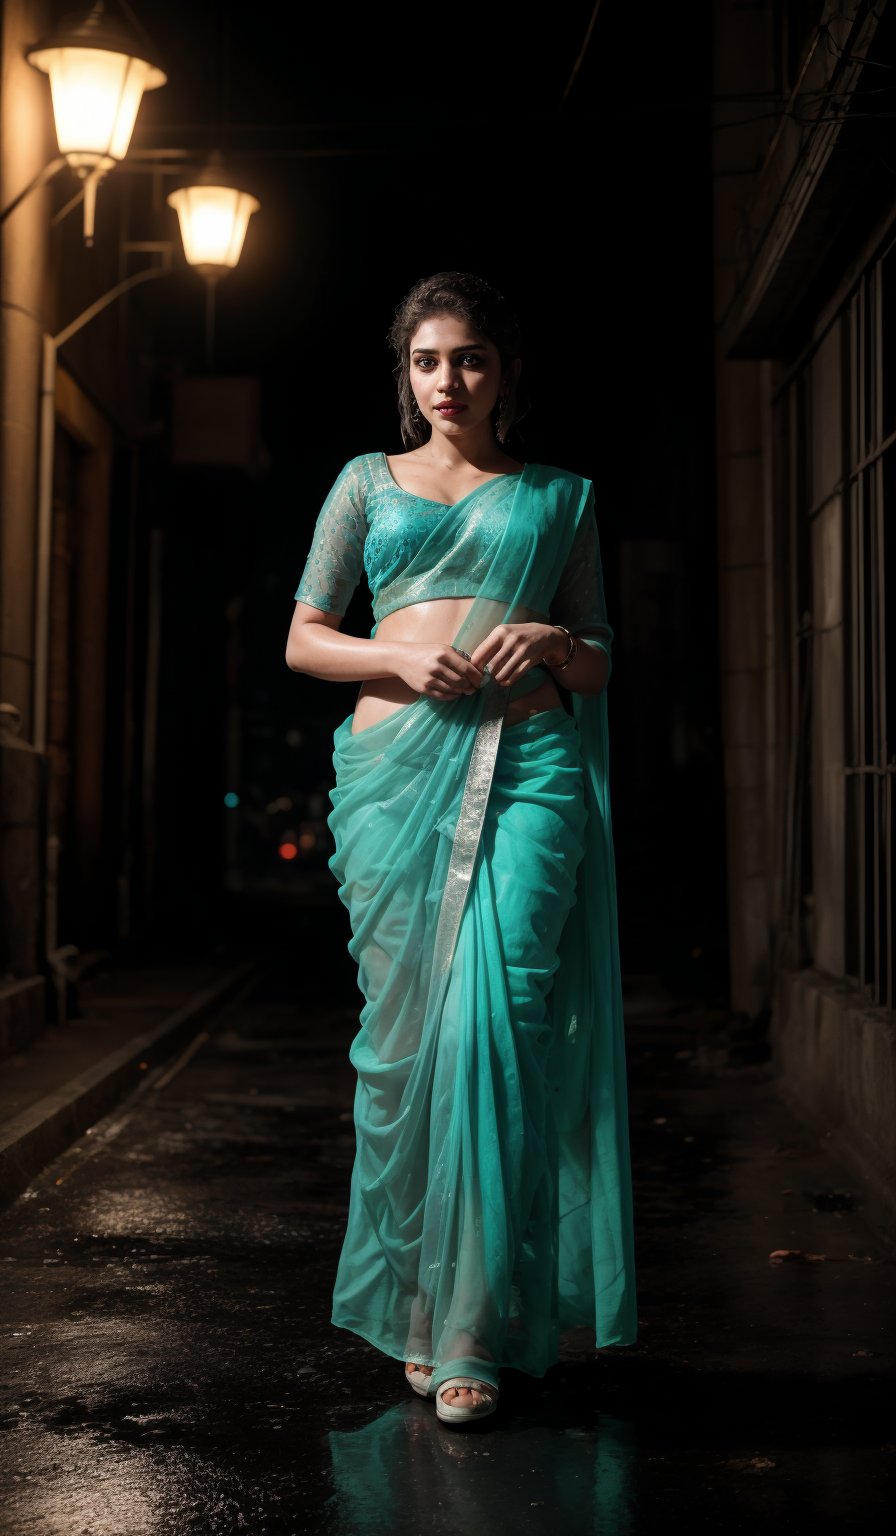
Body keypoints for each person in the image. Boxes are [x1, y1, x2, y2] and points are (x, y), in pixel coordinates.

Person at [285, 271, 637, 1426]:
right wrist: (394, 661)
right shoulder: (361, 485)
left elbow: (594, 659)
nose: (449, 380)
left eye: (472, 358)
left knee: (495, 1030)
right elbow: (305, 640)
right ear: (406, 373)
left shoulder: (560, 498)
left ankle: (477, 1328)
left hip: (529, 774)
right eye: (428, 360)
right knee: (407, 1051)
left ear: (507, 374)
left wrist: (546, 638)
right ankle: (417, 1309)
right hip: (392, 782)